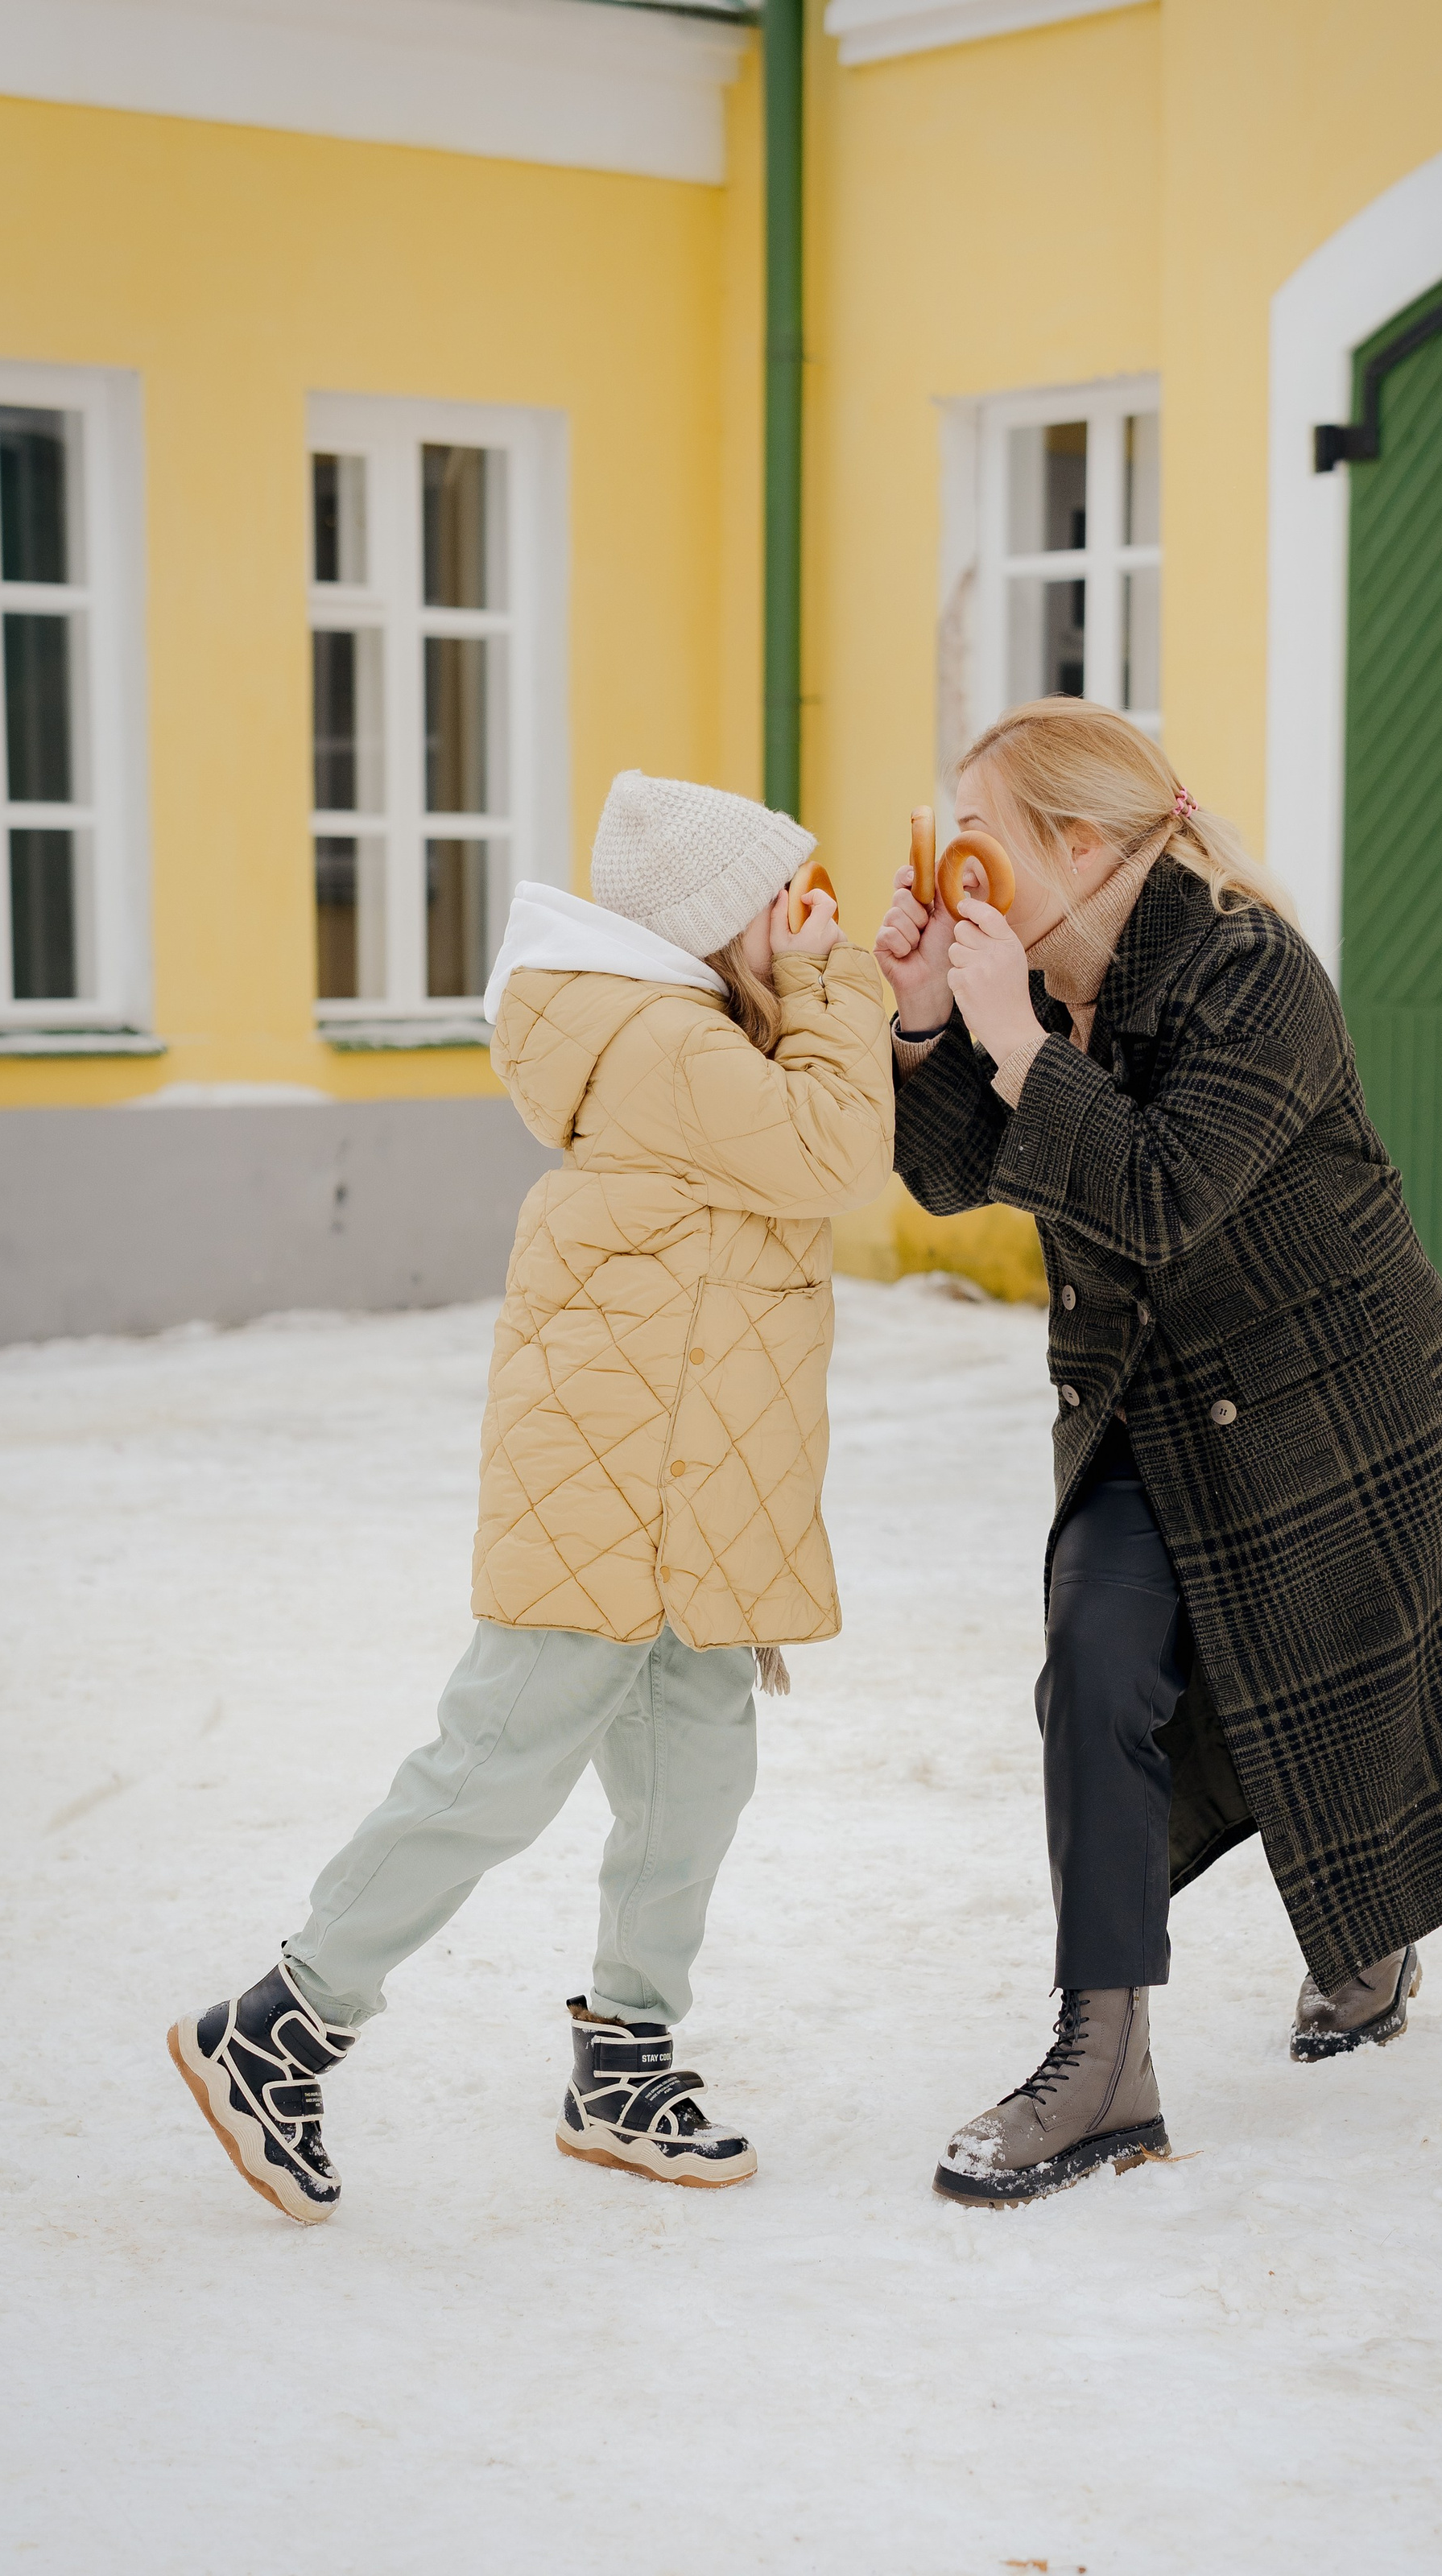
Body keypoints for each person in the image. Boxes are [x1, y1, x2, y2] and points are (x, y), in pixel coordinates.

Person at [171, 770, 893, 2222]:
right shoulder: (660, 1042)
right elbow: (837, 1152)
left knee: (692, 1780)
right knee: (497, 1765)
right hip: (613, 1489)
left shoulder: (697, 1042)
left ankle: (624, 2055)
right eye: (781, 899)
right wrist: (834, 979)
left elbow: (811, 1131)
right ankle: (282, 2023)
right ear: (714, 923)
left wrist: (842, 990)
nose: (803, 919)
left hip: (691, 1500)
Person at [877, 700, 1442, 2207]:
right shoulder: (1043, 971)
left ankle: (1364, 1939)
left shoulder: (1249, 969)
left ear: (1079, 845)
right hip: (1146, 1405)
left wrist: (1021, 1043)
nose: (960, 863)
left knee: (1330, 1696)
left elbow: (1160, 1196)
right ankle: (1104, 2065)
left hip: (1329, 1405)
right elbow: (964, 1170)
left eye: (988, 835)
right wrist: (923, 1021)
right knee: (1095, 1657)